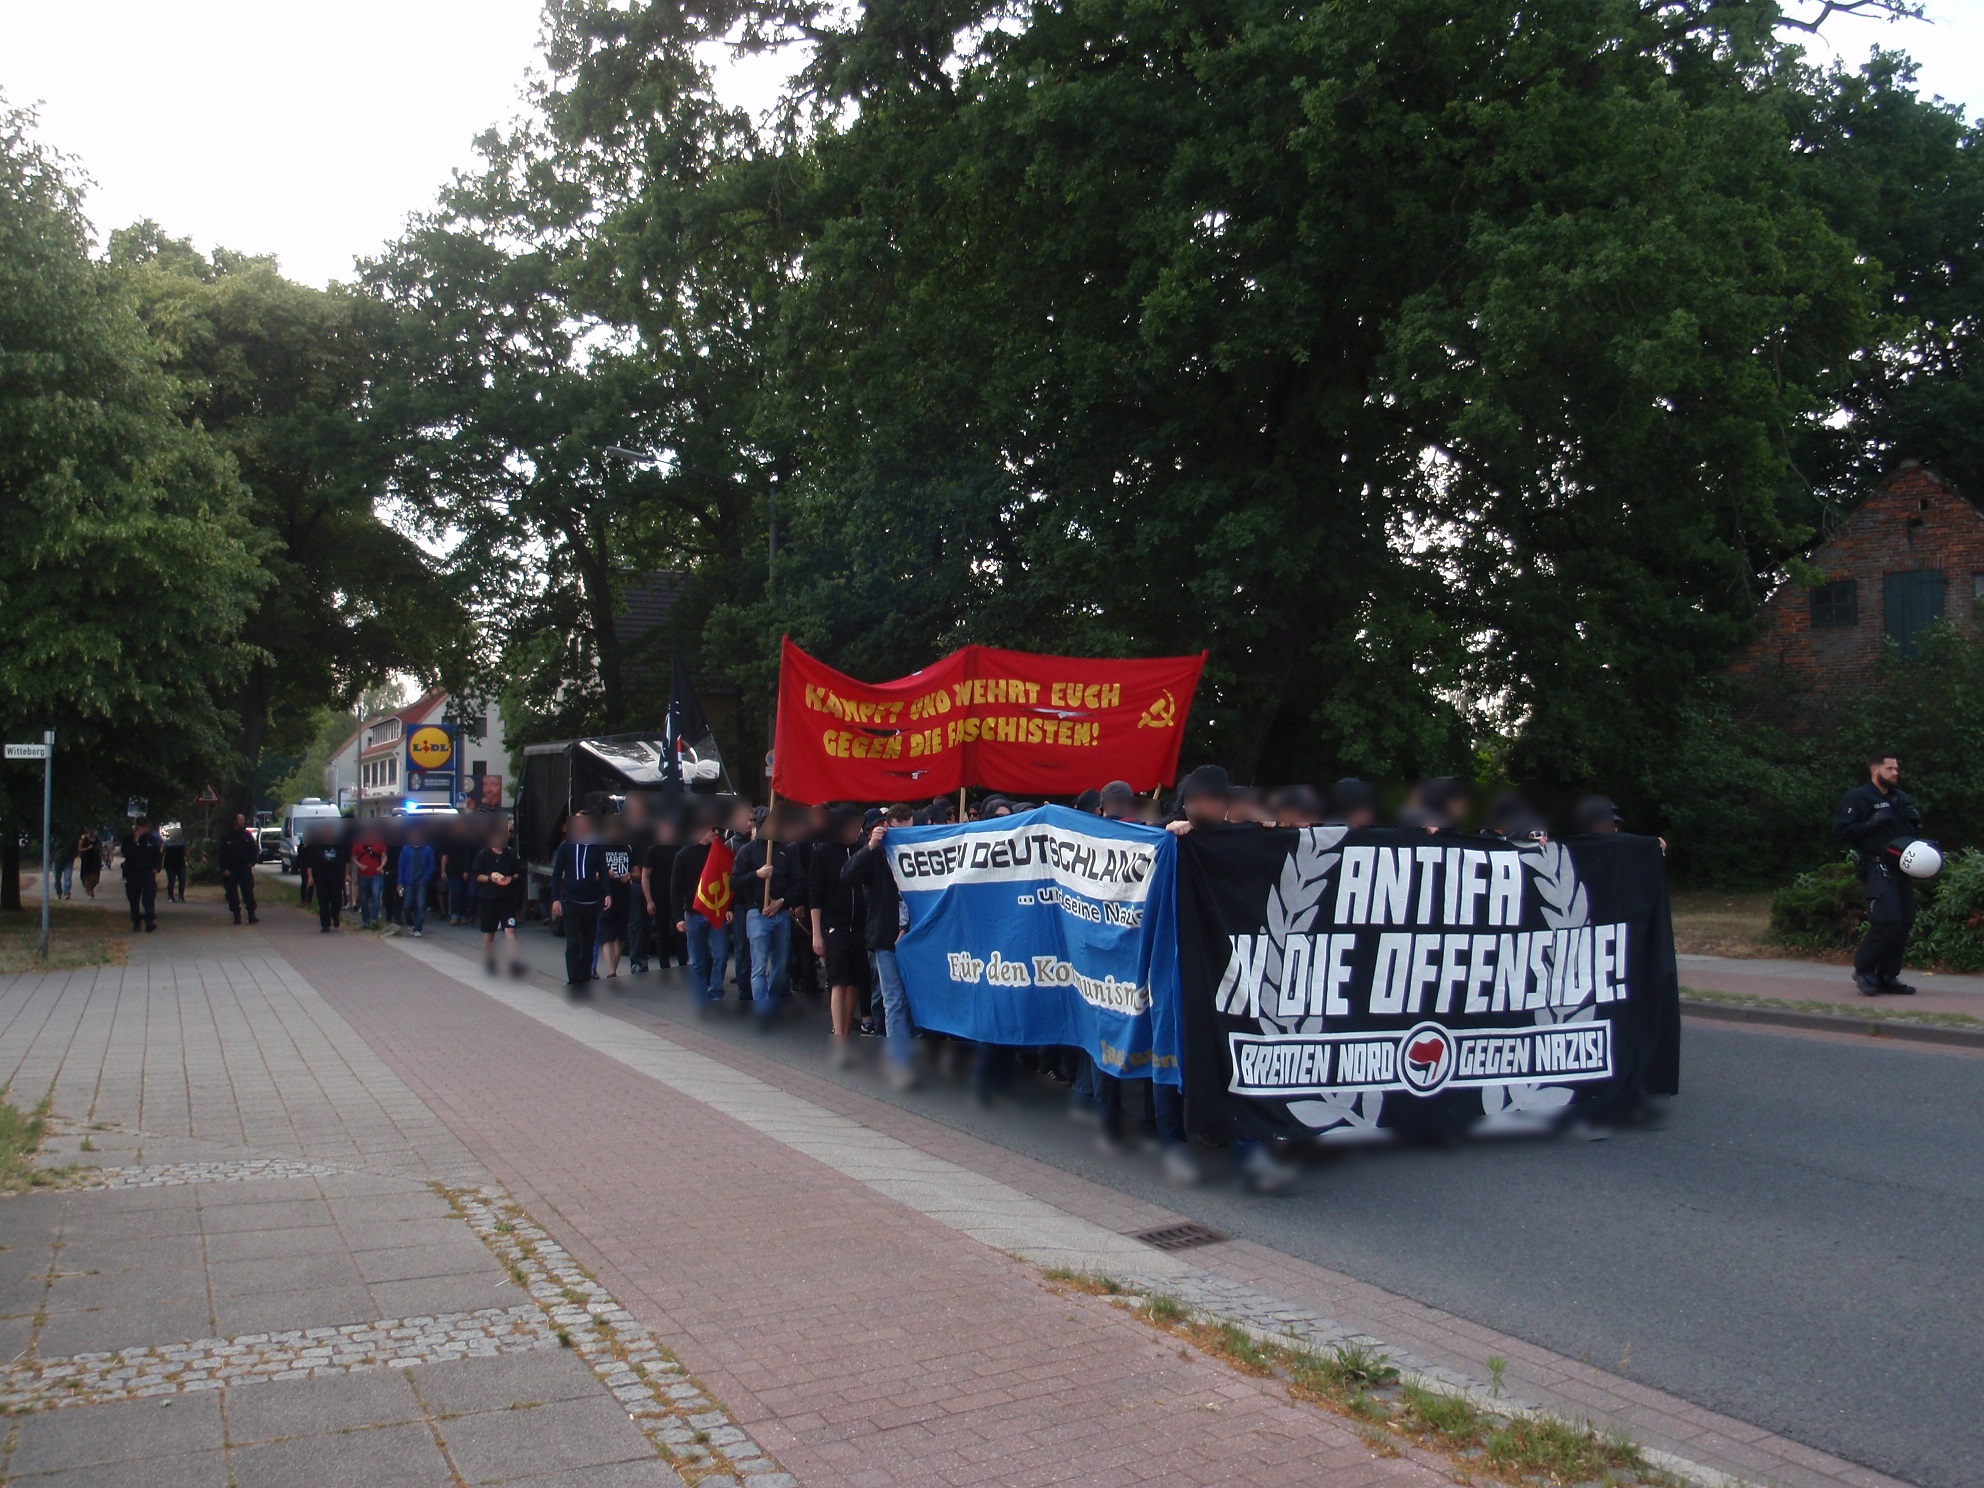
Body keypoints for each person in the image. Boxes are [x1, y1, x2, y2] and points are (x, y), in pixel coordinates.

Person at [1833, 751, 1925, 998]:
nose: (1895, 773)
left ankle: (1887, 975)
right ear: (1875, 770)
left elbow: (1908, 835)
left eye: (1896, 769)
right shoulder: (1858, 797)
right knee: (1887, 920)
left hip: (1902, 867)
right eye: (1890, 769)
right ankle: (1864, 971)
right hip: (1876, 866)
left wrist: (1916, 825)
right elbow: (1841, 832)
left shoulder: (1900, 799)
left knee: (1904, 921)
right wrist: (1871, 823)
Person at [845, 803, 917, 1083]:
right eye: (899, 833)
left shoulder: (917, 851)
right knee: (894, 999)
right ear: (887, 827)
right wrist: (871, 846)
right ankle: (899, 1060)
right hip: (885, 938)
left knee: (911, 1000)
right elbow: (847, 874)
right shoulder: (876, 853)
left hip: (913, 937)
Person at [732, 808, 802, 1029]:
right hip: (756, 913)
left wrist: (781, 901)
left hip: (780, 914)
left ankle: (771, 1002)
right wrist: (756, 875)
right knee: (759, 965)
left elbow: (799, 883)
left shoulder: (786, 852)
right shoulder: (747, 851)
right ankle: (763, 1010)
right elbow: (734, 882)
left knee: (780, 967)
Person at [810, 807, 870, 1061]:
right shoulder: (823, 852)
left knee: (855, 980)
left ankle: (847, 1028)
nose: (858, 831)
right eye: (855, 826)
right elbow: (815, 894)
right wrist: (816, 933)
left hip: (859, 926)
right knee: (838, 980)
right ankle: (838, 1034)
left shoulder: (860, 850)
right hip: (835, 925)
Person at [671, 810, 730, 1008]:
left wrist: (728, 907)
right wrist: (678, 917)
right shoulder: (683, 855)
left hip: (716, 912)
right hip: (693, 914)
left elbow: (729, 882)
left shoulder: (719, 853)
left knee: (720, 954)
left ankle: (715, 991)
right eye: (711, 830)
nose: (715, 832)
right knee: (697, 959)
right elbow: (675, 890)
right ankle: (700, 992)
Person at [550, 810, 612, 989]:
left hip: (591, 902)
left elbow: (604, 873)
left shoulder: (597, 847)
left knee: (588, 942)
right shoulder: (566, 846)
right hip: (571, 901)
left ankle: (584, 979)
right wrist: (556, 899)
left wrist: (607, 894)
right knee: (573, 943)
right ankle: (573, 979)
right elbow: (556, 875)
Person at [472, 821, 527, 976]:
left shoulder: (510, 854)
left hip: (507, 898)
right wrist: (491, 878)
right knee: (489, 931)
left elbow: (518, 872)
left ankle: (514, 962)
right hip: (489, 897)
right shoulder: (484, 855)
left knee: (510, 929)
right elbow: (477, 875)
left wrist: (510, 878)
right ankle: (490, 960)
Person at [641, 815, 683, 970]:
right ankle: (664, 965)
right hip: (659, 898)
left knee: (681, 933)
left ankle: (683, 964)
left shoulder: (680, 847)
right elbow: (645, 876)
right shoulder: (653, 849)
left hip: (677, 898)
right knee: (662, 933)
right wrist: (649, 900)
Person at [595, 816, 634, 978]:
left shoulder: (627, 848)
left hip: (623, 895)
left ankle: (613, 970)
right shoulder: (600, 848)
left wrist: (629, 875)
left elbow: (636, 870)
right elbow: (592, 874)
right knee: (607, 935)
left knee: (620, 936)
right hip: (605, 895)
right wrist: (605, 874)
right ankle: (611, 972)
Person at [298, 823, 350, 932]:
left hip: (336, 877)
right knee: (323, 901)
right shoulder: (317, 845)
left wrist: (346, 875)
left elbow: (346, 861)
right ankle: (325, 924)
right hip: (321, 878)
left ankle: (335, 916)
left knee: (336, 900)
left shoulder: (339, 845)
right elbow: (309, 862)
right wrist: (310, 877)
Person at [217, 812, 261, 925]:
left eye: (243, 820)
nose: (243, 822)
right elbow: (222, 854)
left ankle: (252, 914)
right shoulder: (226, 836)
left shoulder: (247, 836)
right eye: (241, 820)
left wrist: (252, 862)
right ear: (235, 822)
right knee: (232, 893)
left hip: (244, 867)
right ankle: (236, 915)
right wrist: (224, 868)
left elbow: (254, 850)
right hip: (231, 869)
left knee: (248, 892)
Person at [120, 817, 163, 932]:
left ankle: (149, 921)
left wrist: (156, 868)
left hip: (148, 871)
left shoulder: (151, 840)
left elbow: (157, 855)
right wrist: (136, 841)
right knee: (133, 897)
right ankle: (136, 921)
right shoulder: (129, 839)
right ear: (138, 826)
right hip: (133, 871)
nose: (147, 829)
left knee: (149, 896)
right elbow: (126, 853)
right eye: (144, 827)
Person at [397, 825, 437, 937]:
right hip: (409, 881)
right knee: (407, 906)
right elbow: (401, 866)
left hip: (421, 881)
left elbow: (432, 865)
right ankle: (410, 923)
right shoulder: (406, 849)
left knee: (420, 905)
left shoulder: (427, 849)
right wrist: (400, 882)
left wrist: (426, 877)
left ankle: (418, 928)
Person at [351, 823, 388, 929]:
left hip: (376, 873)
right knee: (364, 898)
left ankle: (374, 919)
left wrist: (381, 866)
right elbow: (353, 857)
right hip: (363, 874)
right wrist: (359, 865)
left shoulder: (379, 843)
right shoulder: (358, 843)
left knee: (376, 896)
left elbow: (384, 856)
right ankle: (365, 920)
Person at [161, 827, 188, 903]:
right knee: (171, 881)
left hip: (180, 863)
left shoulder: (183, 842)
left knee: (182, 880)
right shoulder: (166, 843)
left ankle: (181, 895)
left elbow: (186, 852)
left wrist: (189, 861)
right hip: (169, 864)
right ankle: (171, 896)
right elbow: (161, 852)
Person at [77, 830, 102, 900]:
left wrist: (102, 855)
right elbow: (80, 849)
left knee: (96, 878)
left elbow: (101, 848)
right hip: (86, 859)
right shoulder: (84, 839)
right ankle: (89, 892)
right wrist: (88, 848)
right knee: (87, 876)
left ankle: (90, 888)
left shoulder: (97, 839)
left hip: (96, 859)